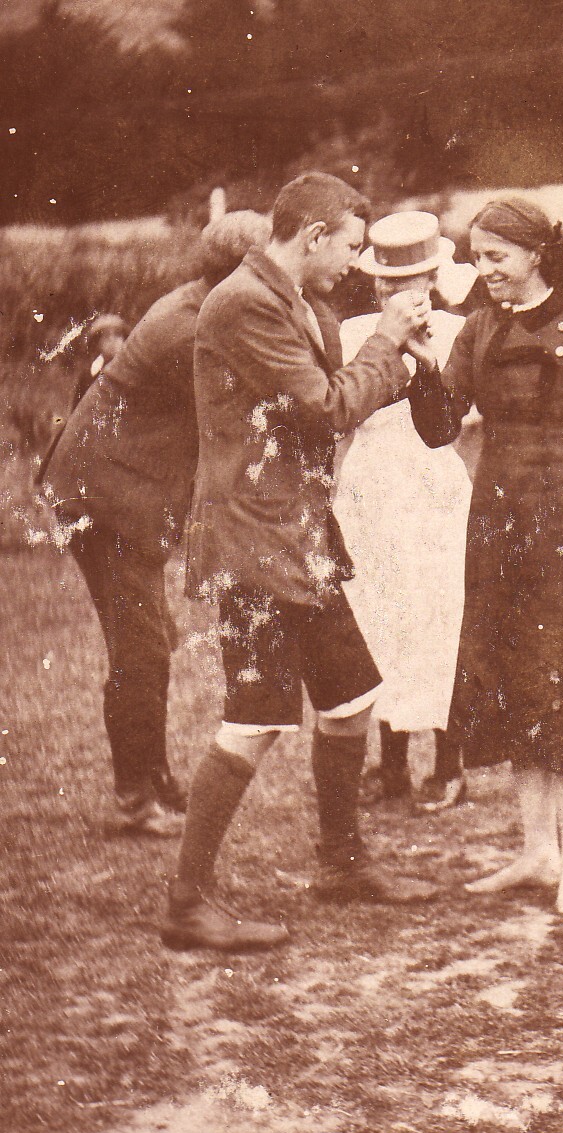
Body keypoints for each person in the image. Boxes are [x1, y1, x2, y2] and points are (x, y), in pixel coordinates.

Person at [162, 172, 439, 954]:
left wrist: (401, 365)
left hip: (296, 538)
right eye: (349, 248)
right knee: (254, 722)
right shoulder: (244, 302)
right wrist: (386, 342)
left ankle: (342, 864)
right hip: (256, 543)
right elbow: (324, 406)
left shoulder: (291, 301)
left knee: (350, 701)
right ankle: (186, 902)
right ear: (312, 236)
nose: (353, 265)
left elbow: (320, 405)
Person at [410, 197, 563, 917]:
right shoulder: (477, 331)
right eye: (478, 260)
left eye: (496, 258)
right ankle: (536, 849)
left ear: (534, 255)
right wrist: (420, 366)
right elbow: (439, 426)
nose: (485, 273)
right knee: (511, 680)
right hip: (498, 527)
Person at [41, 210, 273, 837]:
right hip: (104, 499)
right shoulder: (191, 332)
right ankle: (136, 797)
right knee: (141, 647)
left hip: (117, 492)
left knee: (149, 642)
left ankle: (153, 780)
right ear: (245, 270)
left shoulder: (204, 308)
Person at [333, 211, 475, 814]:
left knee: (440, 617)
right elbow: (342, 406)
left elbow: (458, 420)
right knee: (381, 617)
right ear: (375, 286)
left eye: (415, 280)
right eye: (391, 284)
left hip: (431, 486)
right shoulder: (353, 334)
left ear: (435, 278)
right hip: (372, 487)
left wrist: (426, 365)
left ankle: (449, 765)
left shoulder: (454, 333)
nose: (402, 295)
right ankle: (390, 764)